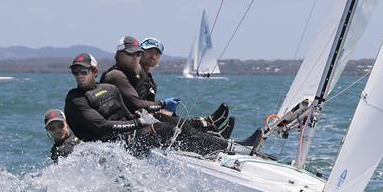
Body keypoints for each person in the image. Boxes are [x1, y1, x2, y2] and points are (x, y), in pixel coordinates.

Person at [63, 52, 255, 157]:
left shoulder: (109, 89)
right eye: (76, 72)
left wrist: (144, 118)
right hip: (114, 146)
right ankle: (228, 149)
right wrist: (139, 125)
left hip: (129, 136)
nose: (79, 75)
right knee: (163, 130)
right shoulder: (75, 99)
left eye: (83, 71)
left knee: (170, 122)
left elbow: (129, 113)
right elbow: (103, 126)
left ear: (94, 70)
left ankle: (223, 145)